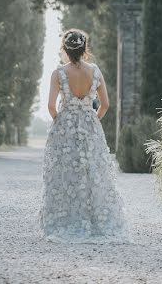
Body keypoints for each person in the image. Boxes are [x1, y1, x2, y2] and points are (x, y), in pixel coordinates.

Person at [38, 28, 131, 243]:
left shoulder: (58, 73)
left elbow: (51, 106)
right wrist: (92, 119)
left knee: (66, 173)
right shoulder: (95, 71)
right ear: (84, 48)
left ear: (65, 49)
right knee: (94, 172)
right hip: (90, 125)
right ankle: (97, 219)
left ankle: (67, 219)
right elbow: (105, 104)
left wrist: (60, 121)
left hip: (66, 126)